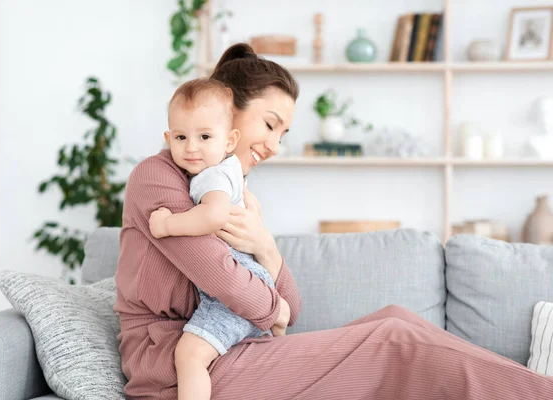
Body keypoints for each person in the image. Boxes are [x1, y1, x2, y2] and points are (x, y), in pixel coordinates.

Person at [114, 43, 553, 399]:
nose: (273, 145)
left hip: (235, 347)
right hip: (182, 366)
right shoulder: (159, 177)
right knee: (394, 340)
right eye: (270, 125)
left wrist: (266, 246)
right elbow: (233, 285)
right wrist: (274, 309)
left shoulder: (236, 196)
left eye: (282, 134)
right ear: (228, 113)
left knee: (396, 316)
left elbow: (292, 310)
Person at [147, 77, 282, 400]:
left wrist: (168, 225)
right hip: (247, 285)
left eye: (204, 136)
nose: (191, 147)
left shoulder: (213, 177)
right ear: (168, 139)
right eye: (181, 137)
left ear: (229, 140)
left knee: (189, 355)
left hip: (234, 294)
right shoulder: (231, 171)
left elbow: (213, 216)